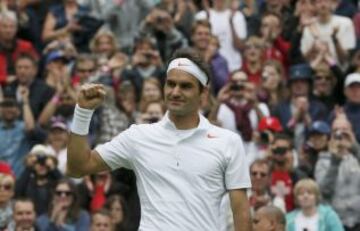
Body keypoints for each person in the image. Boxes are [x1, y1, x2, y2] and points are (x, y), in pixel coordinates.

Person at [66, 48, 252, 230]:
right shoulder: (139, 136)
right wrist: (83, 112)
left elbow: (241, 214)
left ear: (203, 94)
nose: (175, 92)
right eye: (171, 84)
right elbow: (78, 168)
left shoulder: (228, 142)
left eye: (185, 86)